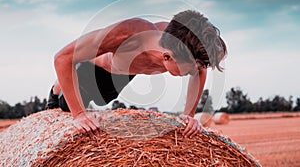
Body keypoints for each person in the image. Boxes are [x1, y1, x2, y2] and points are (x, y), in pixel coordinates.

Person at [47, 10, 227, 138]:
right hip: (96, 68)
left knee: (103, 100)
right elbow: (62, 57)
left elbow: (200, 70)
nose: (192, 72)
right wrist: (78, 115)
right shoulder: (128, 34)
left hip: (125, 73)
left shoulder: (185, 47)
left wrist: (189, 115)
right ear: (167, 56)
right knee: (65, 106)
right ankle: (56, 87)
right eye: (188, 69)